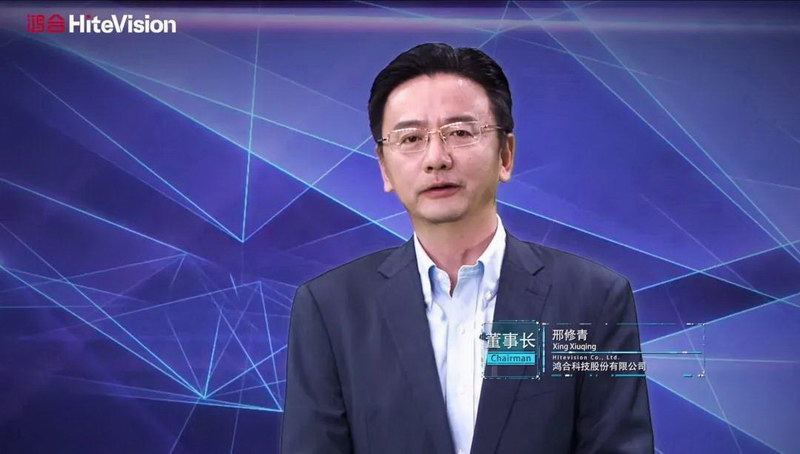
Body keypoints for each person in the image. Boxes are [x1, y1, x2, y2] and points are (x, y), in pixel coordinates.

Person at [281, 42, 653, 454]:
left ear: (505, 154)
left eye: (459, 132)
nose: (436, 158)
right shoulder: (331, 309)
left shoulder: (594, 300)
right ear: (384, 167)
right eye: (411, 138)